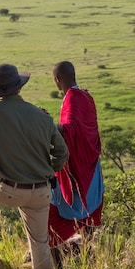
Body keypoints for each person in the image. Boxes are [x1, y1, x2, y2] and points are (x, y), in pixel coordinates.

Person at [0, 64, 68, 269]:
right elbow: (62, 153)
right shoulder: (42, 116)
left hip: (10, 190)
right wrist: (45, 168)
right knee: (40, 242)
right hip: (42, 190)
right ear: (19, 87)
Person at [48, 60, 104, 251]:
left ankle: (56, 259)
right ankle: (88, 252)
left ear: (57, 79)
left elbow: (71, 130)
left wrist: (46, 123)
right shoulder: (85, 95)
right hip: (90, 161)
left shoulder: (72, 98)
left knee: (51, 217)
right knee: (90, 207)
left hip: (78, 164)